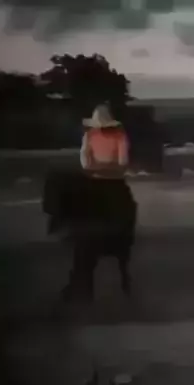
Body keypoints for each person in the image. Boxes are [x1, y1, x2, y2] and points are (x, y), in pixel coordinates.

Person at [43, 104, 137, 302]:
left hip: (102, 181)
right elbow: (117, 164)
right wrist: (105, 168)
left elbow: (95, 163)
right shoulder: (111, 136)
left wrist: (97, 169)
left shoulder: (98, 136)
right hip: (108, 181)